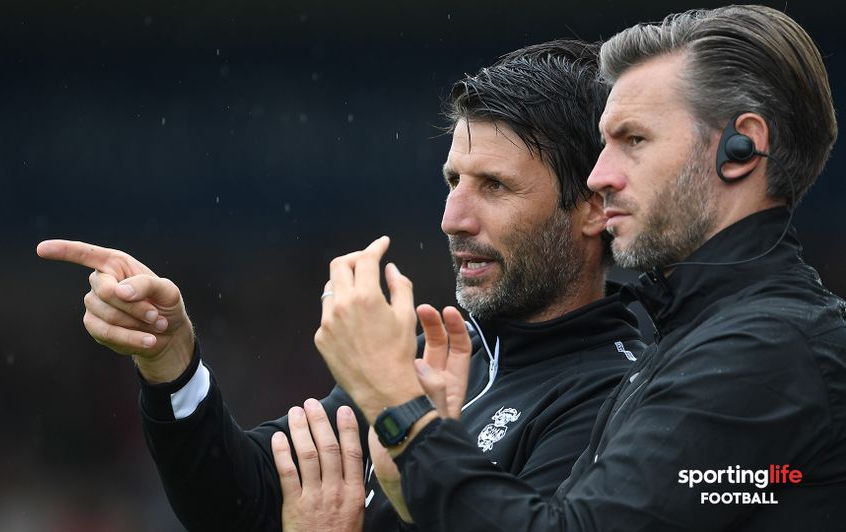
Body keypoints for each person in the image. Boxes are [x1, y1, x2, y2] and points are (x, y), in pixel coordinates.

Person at [37, 39, 645, 531]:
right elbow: (240, 504)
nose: (452, 218)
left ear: (593, 205)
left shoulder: (616, 398)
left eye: (494, 186)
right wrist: (172, 364)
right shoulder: (427, 354)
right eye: (452, 181)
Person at [312, 5, 846, 531]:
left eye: (633, 140)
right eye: (605, 142)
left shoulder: (766, 350)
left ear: (742, 147)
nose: (599, 176)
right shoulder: (694, 338)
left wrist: (399, 412)